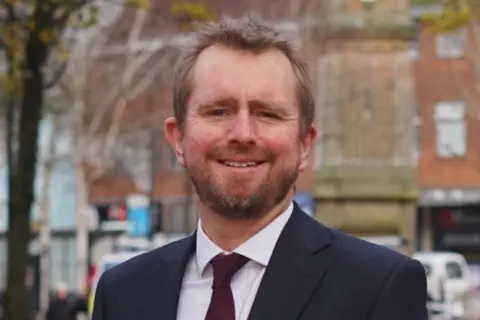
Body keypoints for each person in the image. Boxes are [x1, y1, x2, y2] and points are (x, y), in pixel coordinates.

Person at [92, 14, 428, 320]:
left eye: (267, 114)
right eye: (218, 111)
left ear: (305, 143)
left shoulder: (377, 289)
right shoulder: (123, 294)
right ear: (178, 138)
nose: (242, 134)